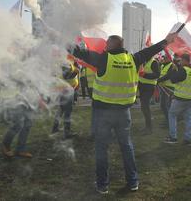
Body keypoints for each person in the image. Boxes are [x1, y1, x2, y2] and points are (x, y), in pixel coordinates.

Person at [71, 33, 177, 194]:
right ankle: (133, 181)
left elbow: (77, 51)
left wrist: (56, 36)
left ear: (112, 45)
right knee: (126, 147)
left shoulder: (104, 59)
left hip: (103, 112)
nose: (105, 46)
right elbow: (152, 51)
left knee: (101, 148)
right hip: (123, 113)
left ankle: (102, 184)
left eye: (107, 43)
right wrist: (167, 41)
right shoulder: (133, 59)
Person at [164, 54, 191, 145]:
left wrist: (173, 70)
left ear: (184, 60)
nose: (180, 62)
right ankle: (187, 139)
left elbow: (173, 80)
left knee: (172, 115)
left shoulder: (184, 70)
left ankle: (173, 137)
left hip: (181, 98)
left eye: (181, 60)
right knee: (188, 118)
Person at [52, 61, 79, 139]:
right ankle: (67, 132)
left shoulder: (65, 61)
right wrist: (76, 70)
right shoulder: (67, 62)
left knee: (61, 110)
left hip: (63, 90)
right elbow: (67, 75)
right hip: (66, 91)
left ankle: (55, 128)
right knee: (67, 111)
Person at [138, 57, 160, 134]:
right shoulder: (144, 61)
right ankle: (147, 127)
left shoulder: (154, 62)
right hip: (142, 85)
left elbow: (157, 74)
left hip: (149, 86)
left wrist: (145, 75)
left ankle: (149, 128)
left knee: (145, 106)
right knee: (143, 107)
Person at [157, 56, 176, 127]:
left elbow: (168, 75)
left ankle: (170, 122)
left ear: (169, 58)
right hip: (163, 87)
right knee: (164, 105)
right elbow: (161, 74)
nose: (163, 59)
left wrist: (158, 80)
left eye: (165, 58)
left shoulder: (172, 65)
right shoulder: (163, 66)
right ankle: (168, 120)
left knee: (166, 105)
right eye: (163, 58)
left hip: (169, 88)